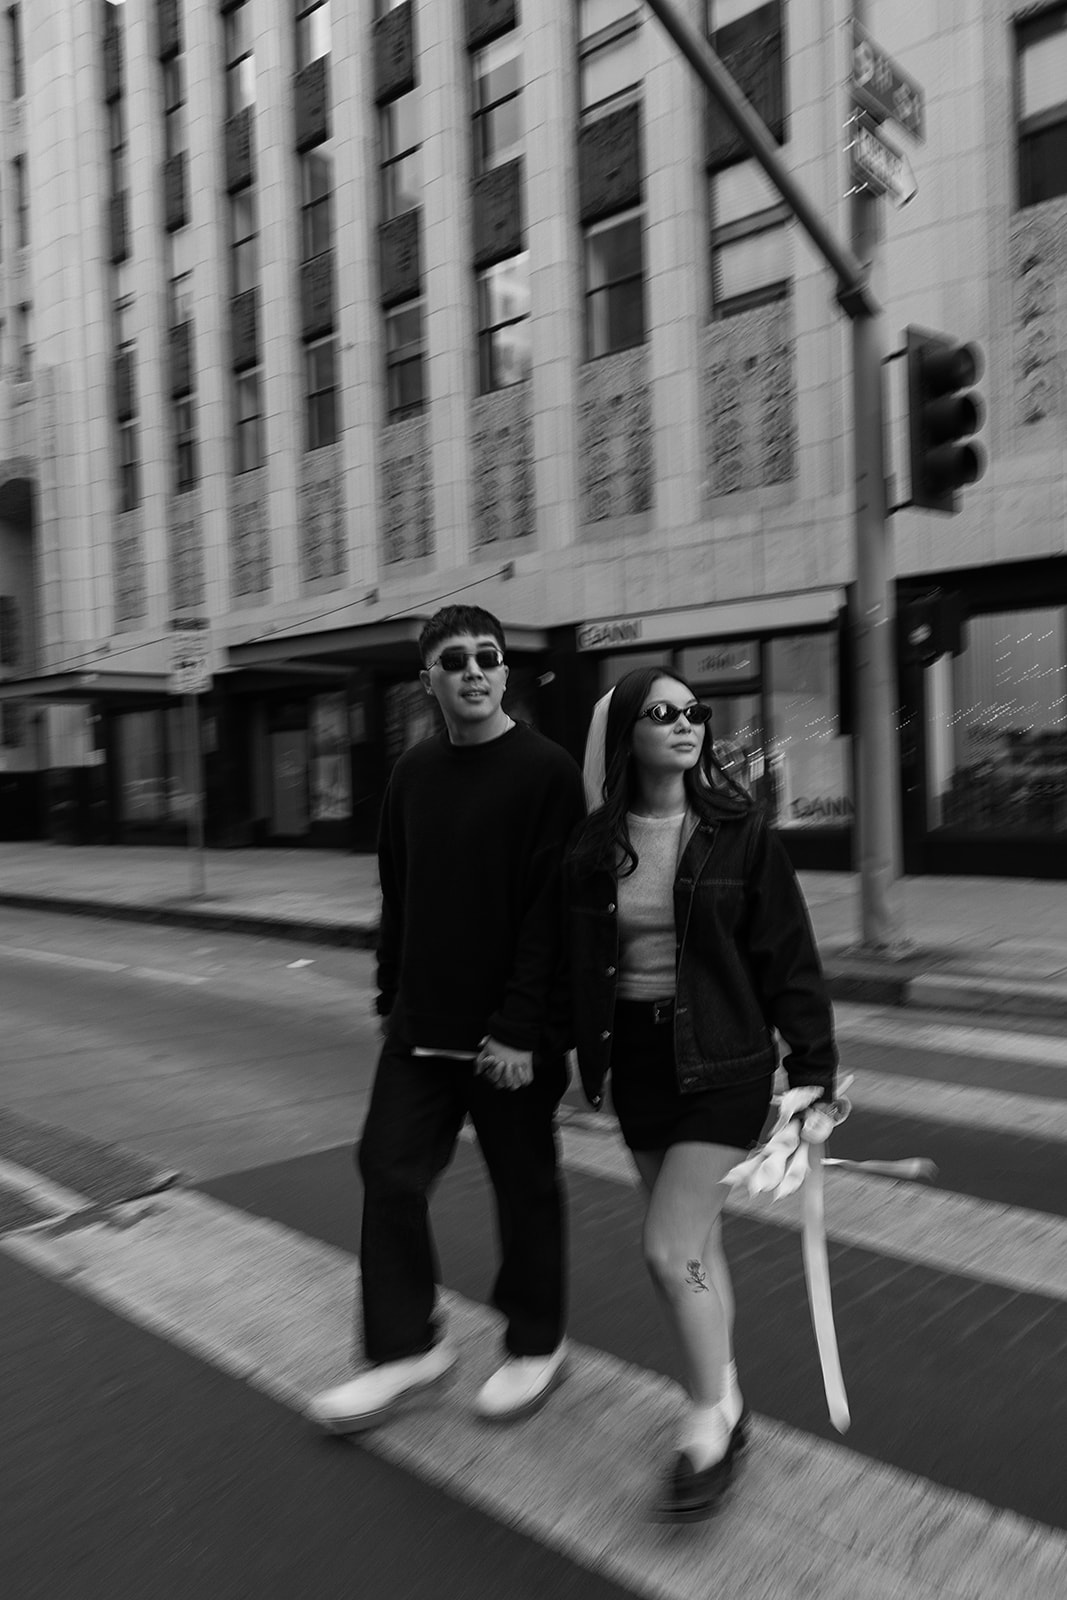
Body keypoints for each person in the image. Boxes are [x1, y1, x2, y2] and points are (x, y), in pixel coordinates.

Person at [564, 666, 837, 1520]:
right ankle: (728, 1400)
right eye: (662, 713)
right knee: (695, 1250)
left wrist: (814, 1070)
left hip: (722, 1064)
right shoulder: (591, 844)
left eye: (695, 713)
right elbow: (572, 962)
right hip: (638, 1066)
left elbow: (786, 957)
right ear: (624, 734)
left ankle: (704, 1422)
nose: (685, 725)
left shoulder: (739, 834)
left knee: (665, 1248)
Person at [310, 605, 585, 1434]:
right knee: (387, 1171)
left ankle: (537, 1344)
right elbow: (399, 891)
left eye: (487, 657)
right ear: (427, 679)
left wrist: (519, 1026)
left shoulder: (545, 772)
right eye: (453, 659)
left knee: (523, 1187)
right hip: (421, 1028)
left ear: (505, 672)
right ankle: (408, 1351)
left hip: (512, 1035)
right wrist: (390, 995)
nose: (472, 670)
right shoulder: (412, 775)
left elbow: (552, 913)